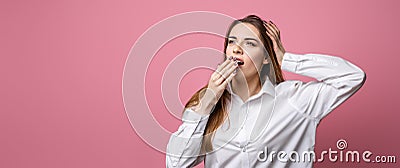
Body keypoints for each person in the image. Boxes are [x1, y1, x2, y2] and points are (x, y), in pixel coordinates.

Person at [166, 15, 366, 168]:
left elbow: (352, 77)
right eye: (232, 42)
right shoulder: (207, 106)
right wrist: (208, 101)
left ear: (265, 58)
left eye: (250, 43)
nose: (236, 49)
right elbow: (176, 164)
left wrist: (286, 60)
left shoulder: (295, 99)